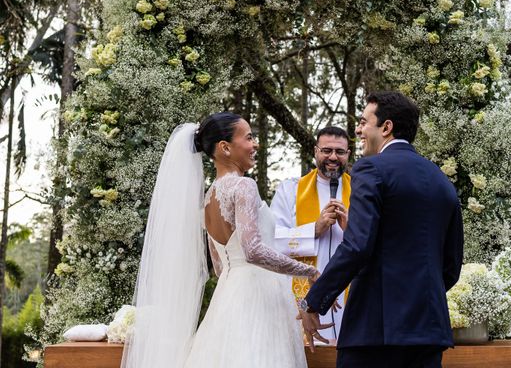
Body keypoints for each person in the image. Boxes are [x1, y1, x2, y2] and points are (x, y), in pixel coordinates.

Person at [121, 113, 325, 368]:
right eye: (249, 138)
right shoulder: (243, 187)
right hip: (256, 300)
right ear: (225, 148)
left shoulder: (208, 198)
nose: (255, 145)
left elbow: (219, 267)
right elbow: (253, 251)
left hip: (227, 298)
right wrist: (308, 271)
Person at [298, 91, 464, 368]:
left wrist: (311, 303)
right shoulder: (441, 180)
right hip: (428, 331)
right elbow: (451, 264)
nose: (358, 130)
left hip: (374, 332)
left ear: (386, 127)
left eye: (364, 122)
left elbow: (357, 246)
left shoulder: (371, 169)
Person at [272, 126, 351, 340]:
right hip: (301, 294)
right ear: (316, 151)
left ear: (348, 155)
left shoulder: (362, 191)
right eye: (326, 150)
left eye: (339, 152)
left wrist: (351, 230)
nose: (333, 157)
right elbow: (272, 240)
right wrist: (313, 230)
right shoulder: (290, 190)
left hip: (351, 295)